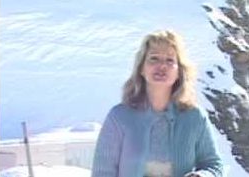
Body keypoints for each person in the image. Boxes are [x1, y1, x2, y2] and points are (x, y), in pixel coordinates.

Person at [91, 30, 223, 177]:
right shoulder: (119, 117)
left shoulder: (194, 117)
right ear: (141, 68)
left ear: (179, 71)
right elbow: (102, 173)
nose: (162, 66)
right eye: (154, 59)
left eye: (169, 60)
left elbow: (213, 165)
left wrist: (203, 176)